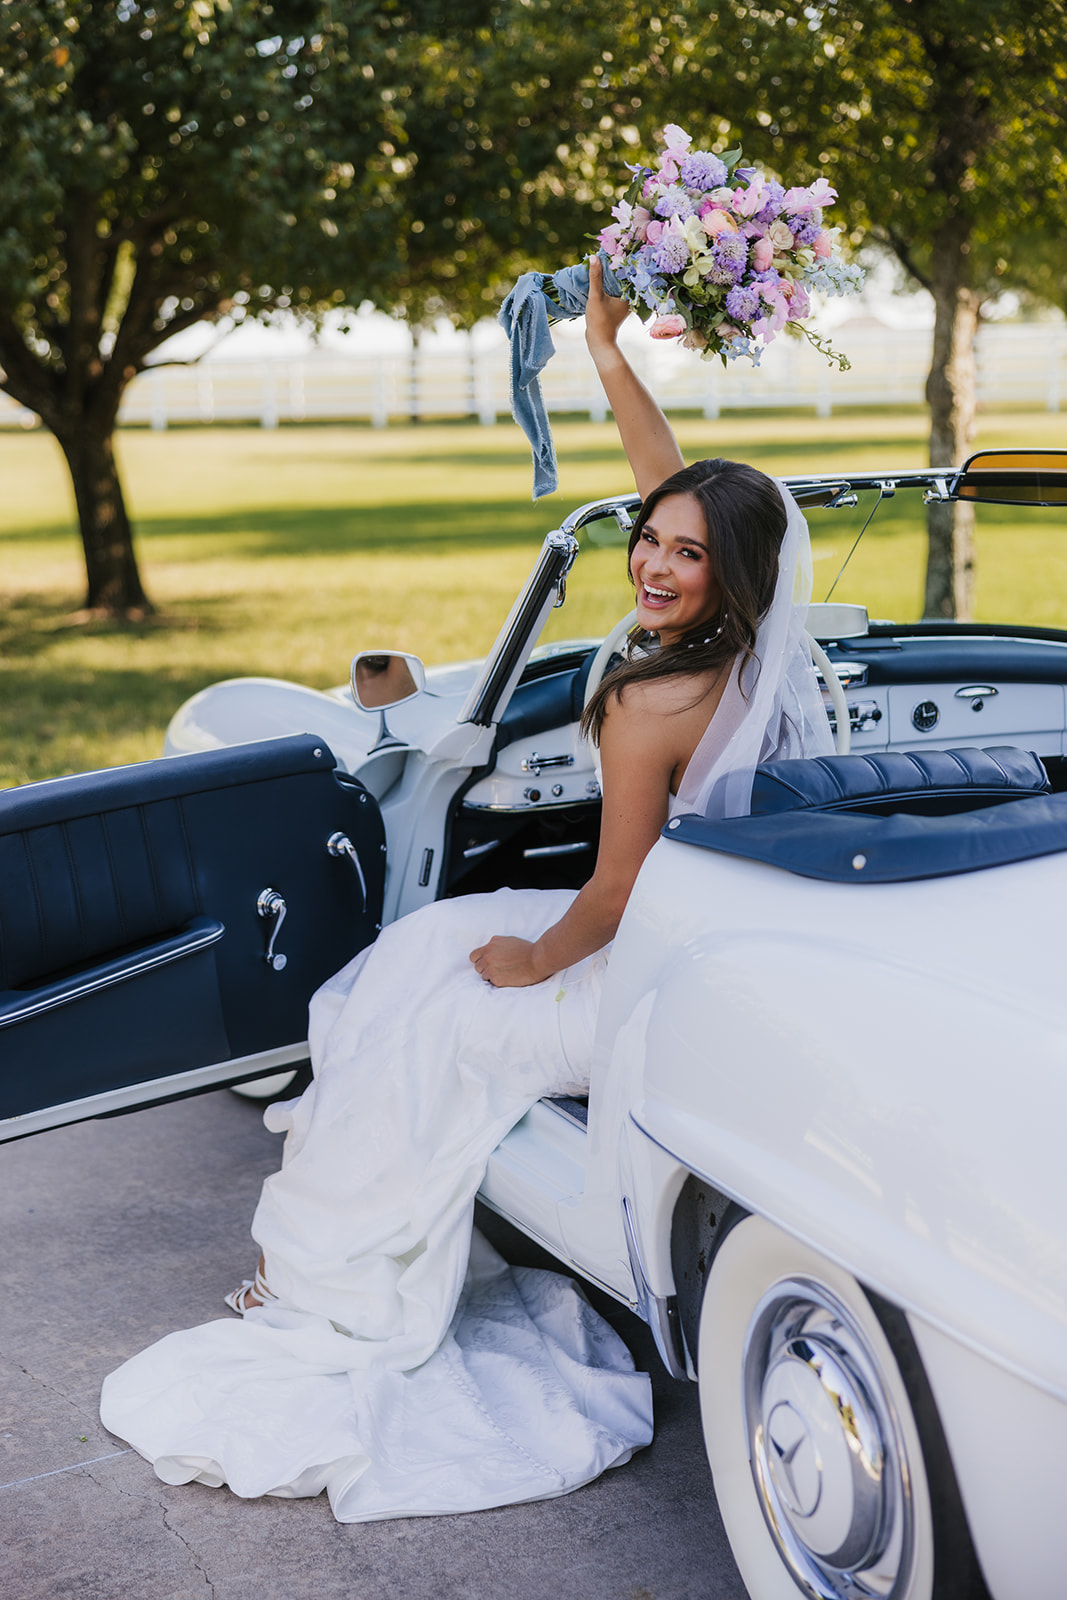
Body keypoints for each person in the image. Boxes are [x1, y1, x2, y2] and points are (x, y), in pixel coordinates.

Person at [98, 263, 832, 1523]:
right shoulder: (760, 654)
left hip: (622, 975)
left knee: (436, 1017)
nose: (651, 565)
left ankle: (331, 1286)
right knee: (424, 940)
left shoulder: (648, 704)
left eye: (681, 556)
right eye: (646, 540)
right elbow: (689, 490)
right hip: (696, 951)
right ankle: (330, 1217)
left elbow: (608, 895)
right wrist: (607, 358)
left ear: (732, 574)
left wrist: (531, 965)